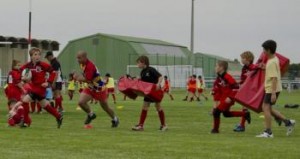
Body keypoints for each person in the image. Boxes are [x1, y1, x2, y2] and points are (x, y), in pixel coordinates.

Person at [12, 47, 63, 128]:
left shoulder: (43, 65)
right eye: (35, 54)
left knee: (25, 101)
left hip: (39, 89)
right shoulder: (28, 65)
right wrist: (21, 78)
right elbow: (20, 71)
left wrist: (48, 83)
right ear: (31, 56)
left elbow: (53, 72)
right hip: (34, 88)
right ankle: (58, 116)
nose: (38, 56)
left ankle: (25, 122)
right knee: (45, 105)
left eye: (39, 54)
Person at [256, 40, 295, 138]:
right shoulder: (273, 59)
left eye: (264, 49)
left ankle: (268, 132)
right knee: (269, 108)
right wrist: (265, 67)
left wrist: (273, 93)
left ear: (268, 50)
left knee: (265, 107)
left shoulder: (272, 62)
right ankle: (288, 122)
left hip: (272, 89)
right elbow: (273, 72)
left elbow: (274, 78)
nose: (263, 51)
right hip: (273, 88)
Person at [74, 51, 119, 128]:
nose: (77, 60)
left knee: (105, 107)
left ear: (85, 57)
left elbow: (88, 79)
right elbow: (85, 75)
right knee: (81, 102)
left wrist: (78, 77)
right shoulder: (82, 63)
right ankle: (91, 114)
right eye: (77, 58)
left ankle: (115, 119)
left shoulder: (90, 66)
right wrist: (79, 76)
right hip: (90, 87)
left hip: (99, 88)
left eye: (79, 58)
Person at [211, 61, 251, 134]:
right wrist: (215, 93)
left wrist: (230, 97)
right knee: (226, 114)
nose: (215, 67)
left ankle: (215, 130)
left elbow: (235, 87)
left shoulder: (227, 77)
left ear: (221, 68)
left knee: (216, 112)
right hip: (224, 99)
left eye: (216, 66)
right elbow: (218, 88)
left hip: (229, 98)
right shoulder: (219, 77)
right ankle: (245, 114)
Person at [132, 55, 167, 131]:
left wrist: (158, 84)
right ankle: (141, 126)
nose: (137, 64)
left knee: (158, 107)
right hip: (148, 92)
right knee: (144, 107)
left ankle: (163, 125)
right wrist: (138, 79)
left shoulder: (151, 69)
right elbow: (144, 82)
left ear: (143, 62)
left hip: (155, 91)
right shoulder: (142, 72)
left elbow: (160, 77)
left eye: (138, 63)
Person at [234, 51, 257, 132]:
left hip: (250, 90)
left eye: (243, 58)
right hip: (245, 89)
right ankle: (242, 125)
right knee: (244, 107)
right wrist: (237, 83)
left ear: (248, 59)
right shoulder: (244, 68)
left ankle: (242, 125)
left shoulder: (253, 67)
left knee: (245, 107)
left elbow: (256, 76)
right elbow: (243, 80)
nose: (241, 60)